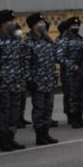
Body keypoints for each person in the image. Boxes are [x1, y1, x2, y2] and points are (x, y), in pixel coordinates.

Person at [0, 10, 27, 152]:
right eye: (10, 21)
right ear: (3, 23)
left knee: (14, 112)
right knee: (3, 112)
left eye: (13, 20)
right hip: (3, 83)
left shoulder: (15, 38)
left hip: (15, 82)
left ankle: (11, 137)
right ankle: (3, 139)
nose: (13, 23)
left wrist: (22, 82)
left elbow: (21, 61)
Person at [23, 12, 59, 144]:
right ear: (33, 26)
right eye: (40, 22)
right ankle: (39, 135)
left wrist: (55, 75)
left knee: (48, 108)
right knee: (39, 109)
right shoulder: (28, 42)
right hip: (37, 82)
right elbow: (25, 63)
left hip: (48, 80)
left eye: (43, 22)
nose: (43, 24)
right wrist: (29, 80)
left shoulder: (47, 39)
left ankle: (46, 133)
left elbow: (52, 60)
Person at [55, 16, 83, 128]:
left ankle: (79, 117)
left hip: (82, 72)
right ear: (69, 27)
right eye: (73, 25)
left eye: (77, 25)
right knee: (72, 97)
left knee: (81, 96)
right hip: (71, 74)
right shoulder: (65, 39)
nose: (76, 27)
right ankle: (73, 119)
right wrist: (71, 65)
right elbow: (59, 56)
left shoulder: (80, 38)